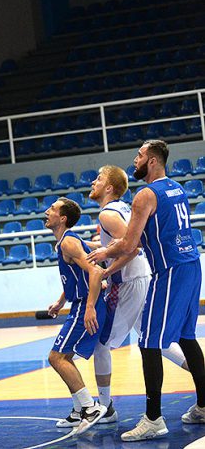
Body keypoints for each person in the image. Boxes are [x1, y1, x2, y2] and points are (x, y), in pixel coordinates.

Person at [87, 140, 205, 442]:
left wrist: (103, 254)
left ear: (152, 161)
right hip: (192, 265)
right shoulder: (177, 188)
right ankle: (204, 405)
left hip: (169, 270)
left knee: (150, 343)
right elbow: (142, 237)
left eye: (139, 156)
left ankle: (153, 419)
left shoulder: (145, 195)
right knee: (186, 337)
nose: (135, 160)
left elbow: (130, 244)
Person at [44, 197, 108, 435]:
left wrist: (90, 307)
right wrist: (61, 301)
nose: (47, 211)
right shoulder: (64, 241)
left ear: (62, 218)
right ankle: (79, 409)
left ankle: (90, 407)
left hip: (85, 305)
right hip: (79, 303)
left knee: (56, 358)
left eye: (52, 209)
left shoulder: (68, 243)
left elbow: (96, 272)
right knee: (65, 357)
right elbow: (76, 276)